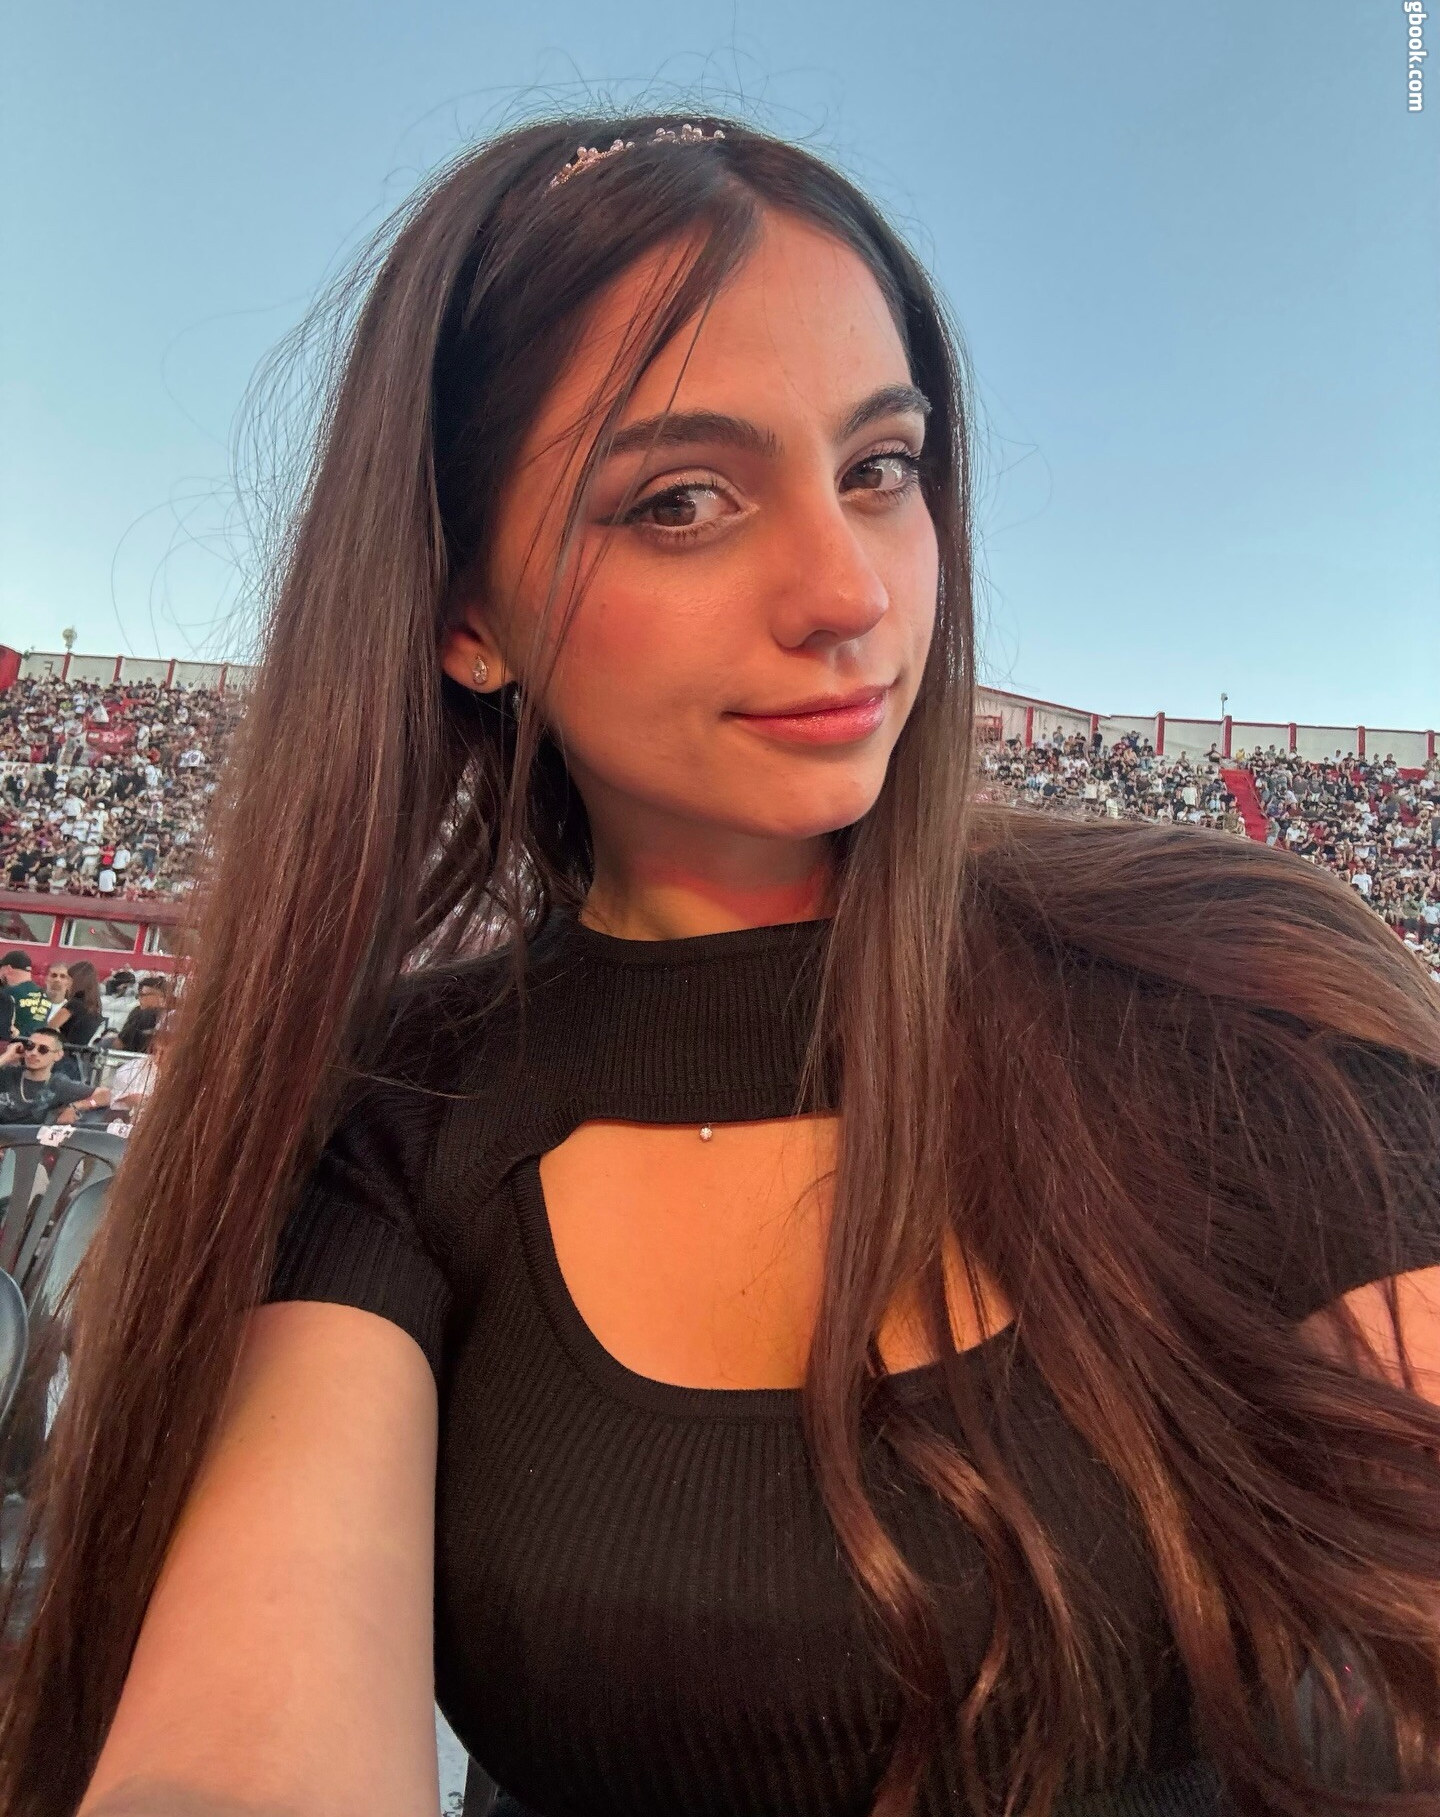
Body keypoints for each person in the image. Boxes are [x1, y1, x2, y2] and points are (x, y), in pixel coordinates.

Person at [3, 115, 1439, 1817]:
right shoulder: (388, 1121)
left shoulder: (1228, 990)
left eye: (881, 467)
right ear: (466, 613)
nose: (848, 593)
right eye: (681, 501)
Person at [0, 1030, 111, 1126]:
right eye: (30, 1046)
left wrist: (76, 1107)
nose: (33, 1053)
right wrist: (7, 1056)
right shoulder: (7, 1074)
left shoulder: (59, 1084)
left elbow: (105, 1095)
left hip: (27, 1141)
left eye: (43, 1049)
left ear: (58, 1055)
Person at [0, 950, 49, 1040]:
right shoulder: (44, 995)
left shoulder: (7, 993)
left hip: (14, 1043)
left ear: (8, 969)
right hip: (38, 1044)